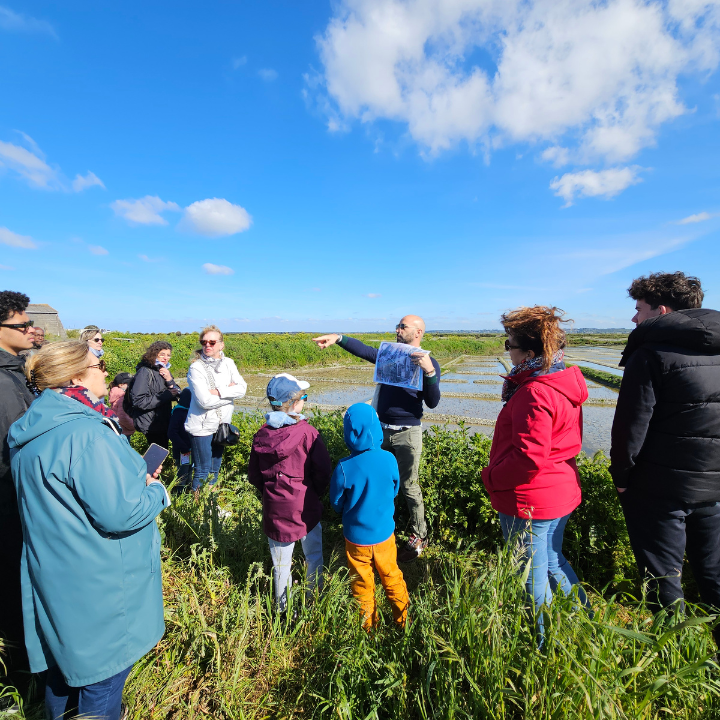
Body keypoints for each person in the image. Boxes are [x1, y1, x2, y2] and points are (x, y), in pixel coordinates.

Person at [8, 340, 171, 720]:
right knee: (103, 681)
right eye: (97, 365)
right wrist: (155, 491)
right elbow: (121, 514)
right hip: (100, 585)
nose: (103, 371)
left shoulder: (29, 429)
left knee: (65, 673)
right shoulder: (87, 433)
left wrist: (130, 476)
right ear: (76, 376)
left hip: (56, 572)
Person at [610, 272, 720, 642]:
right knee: (713, 571)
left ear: (661, 310)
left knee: (663, 577)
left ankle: (674, 658)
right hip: (715, 485)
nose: (634, 319)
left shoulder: (651, 353)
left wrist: (622, 477)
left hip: (660, 487)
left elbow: (630, 427)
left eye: (638, 309)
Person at [482, 306, 590, 641]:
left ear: (529, 353)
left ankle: (540, 646)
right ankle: (583, 623)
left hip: (531, 499)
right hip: (558, 490)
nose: (508, 350)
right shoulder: (559, 380)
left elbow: (529, 459)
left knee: (530, 574)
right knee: (552, 562)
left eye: (509, 345)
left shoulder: (534, 392)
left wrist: (491, 479)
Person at [312, 316, 441, 562]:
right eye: (398, 325)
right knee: (373, 477)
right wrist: (339, 338)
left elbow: (433, 402)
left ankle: (419, 534)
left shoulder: (428, 361)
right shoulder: (391, 355)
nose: (397, 330)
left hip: (407, 432)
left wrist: (430, 371)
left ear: (418, 332)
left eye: (403, 327)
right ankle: (374, 526)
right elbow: (366, 351)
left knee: (409, 485)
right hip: (380, 430)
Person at [248, 373, 332, 612]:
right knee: (313, 555)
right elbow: (323, 472)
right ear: (295, 403)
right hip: (306, 506)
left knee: (280, 564)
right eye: (303, 397)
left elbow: (254, 476)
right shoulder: (308, 433)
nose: (305, 400)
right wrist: (316, 493)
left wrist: (269, 493)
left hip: (275, 508)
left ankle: (282, 611)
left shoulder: (262, 435)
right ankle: (314, 600)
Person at [330, 403, 409, 631]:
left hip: (356, 539)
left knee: (361, 583)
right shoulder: (389, 459)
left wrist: (346, 510)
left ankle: (368, 631)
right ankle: (404, 623)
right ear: (376, 428)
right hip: (384, 533)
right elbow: (395, 490)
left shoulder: (344, 467)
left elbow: (336, 502)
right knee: (392, 576)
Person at [0, 291, 36, 684]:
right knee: (15, 582)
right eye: (20, 325)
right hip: (11, 495)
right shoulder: (4, 383)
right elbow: (15, 446)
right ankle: (24, 676)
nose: (30, 329)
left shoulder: (14, 372)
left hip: (14, 492)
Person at [185, 326, 247, 491]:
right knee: (202, 470)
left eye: (212, 342)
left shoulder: (228, 363)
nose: (208, 346)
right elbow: (204, 402)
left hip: (221, 425)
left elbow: (243, 388)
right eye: (204, 342)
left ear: (221, 345)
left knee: (214, 469)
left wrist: (218, 391)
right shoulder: (196, 368)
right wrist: (229, 393)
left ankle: (210, 504)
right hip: (201, 426)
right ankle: (197, 510)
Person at [130, 341, 181, 448]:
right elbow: (139, 401)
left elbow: (179, 395)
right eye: (162, 354)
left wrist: (170, 380)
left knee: (161, 455)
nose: (165, 358)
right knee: (157, 458)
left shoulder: (164, 371)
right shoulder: (145, 372)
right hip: (151, 424)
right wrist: (166, 395)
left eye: (168, 355)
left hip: (163, 421)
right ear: (154, 354)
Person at [168, 388, 193, 492]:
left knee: (189, 472)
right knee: (182, 474)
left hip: (189, 448)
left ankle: (186, 494)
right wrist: (183, 447)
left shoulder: (187, 411)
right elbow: (171, 433)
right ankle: (179, 495)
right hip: (182, 450)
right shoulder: (179, 412)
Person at [108, 372, 136, 437]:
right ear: (121, 385)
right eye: (129, 384)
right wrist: (134, 426)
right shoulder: (122, 397)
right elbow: (123, 417)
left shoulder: (116, 395)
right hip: (124, 431)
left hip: (119, 429)